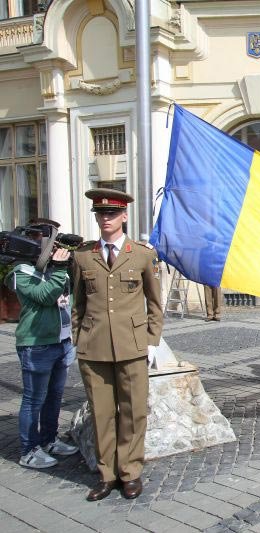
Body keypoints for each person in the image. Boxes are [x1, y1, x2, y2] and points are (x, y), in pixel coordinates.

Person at [72, 188, 164, 501]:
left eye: (112, 213)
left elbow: (155, 304)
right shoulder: (83, 255)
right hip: (94, 348)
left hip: (133, 347)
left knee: (133, 412)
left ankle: (130, 473)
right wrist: (78, 339)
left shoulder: (141, 255)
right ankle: (106, 474)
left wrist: (151, 342)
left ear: (124, 216)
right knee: (101, 413)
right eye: (101, 213)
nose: (106, 218)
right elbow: (78, 304)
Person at [6, 220, 79, 469]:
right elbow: (45, 296)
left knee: (54, 397)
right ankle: (28, 450)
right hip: (36, 344)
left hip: (61, 341)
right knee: (34, 399)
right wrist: (59, 268)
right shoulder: (20, 271)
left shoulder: (53, 269)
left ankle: (48, 440)